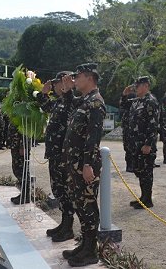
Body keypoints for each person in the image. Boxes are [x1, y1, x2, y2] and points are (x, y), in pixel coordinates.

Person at [61, 63, 106, 267]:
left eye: (77, 76)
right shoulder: (84, 101)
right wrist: (68, 90)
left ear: (89, 78)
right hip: (76, 164)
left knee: (88, 205)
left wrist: (88, 165)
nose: (75, 80)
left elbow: (93, 137)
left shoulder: (96, 102)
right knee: (80, 204)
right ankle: (85, 245)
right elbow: (71, 107)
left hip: (85, 165)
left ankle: (91, 251)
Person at [36, 71, 75, 242]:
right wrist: (44, 93)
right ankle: (64, 224)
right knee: (58, 189)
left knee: (65, 191)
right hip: (55, 154)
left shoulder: (71, 102)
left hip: (63, 155)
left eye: (57, 83)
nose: (55, 86)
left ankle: (68, 228)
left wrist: (68, 91)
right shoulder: (59, 102)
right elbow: (46, 106)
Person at [120, 76, 159, 210]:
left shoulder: (150, 101)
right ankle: (143, 197)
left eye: (138, 86)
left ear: (146, 86)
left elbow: (153, 125)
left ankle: (147, 199)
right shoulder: (136, 101)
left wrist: (148, 144)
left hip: (145, 144)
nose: (135, 88)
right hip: (135, 144)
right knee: (140, 171)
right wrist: (124, 95)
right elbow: (124, 107)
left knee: (146, 172)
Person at [119, 93, 136, 172]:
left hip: (134, 133)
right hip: (127, 133)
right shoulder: (126, 112)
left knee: (134, 150)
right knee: (128, 150)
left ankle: (133, 165)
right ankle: (129, 166)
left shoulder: (135, 110)